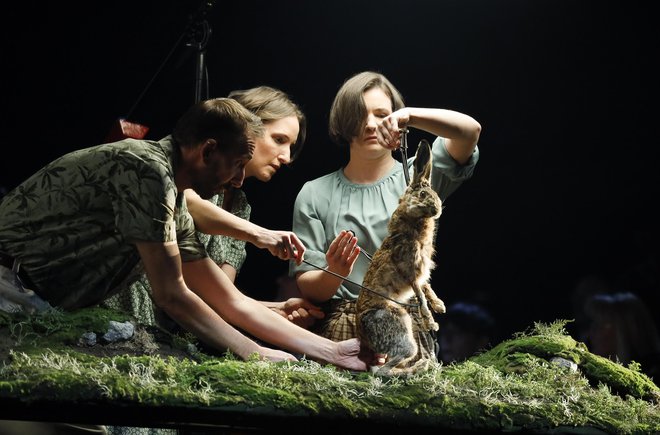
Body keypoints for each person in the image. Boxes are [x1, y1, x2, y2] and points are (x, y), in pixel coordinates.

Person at [0, 97, 372, 372]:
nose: (239, 179)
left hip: (34, 303)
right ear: (208, 151)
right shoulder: (146, 170)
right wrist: (254, 353)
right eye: (237, 166)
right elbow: (173, 295)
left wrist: (330, 351)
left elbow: (227, 300)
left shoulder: (173, 200)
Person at [290, 71, 481, 366]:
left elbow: (469, 131)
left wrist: (409, 116)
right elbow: (308, 285)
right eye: (358, 115)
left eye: (381, 114)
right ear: (344, 122)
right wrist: (334, 271)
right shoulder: (315, 193)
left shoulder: (417, 182)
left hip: (405, 323)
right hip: (341, 333)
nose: (370, 124)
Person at [103, 86, 323, 330]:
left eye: (291, 146)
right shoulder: (194, 177)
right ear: (246, 125)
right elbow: (187, 202)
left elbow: (221, 298)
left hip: (173, 325)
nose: (286, 156)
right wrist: (261, 234)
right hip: (122, 306)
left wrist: (275, 308)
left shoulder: (240, 208)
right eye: (279, 140)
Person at [584, 292, 660, 380]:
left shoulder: (652, 376)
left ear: (624, 329)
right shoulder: (591, 372)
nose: (591, 333)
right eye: (593, 324)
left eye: (601, 324)